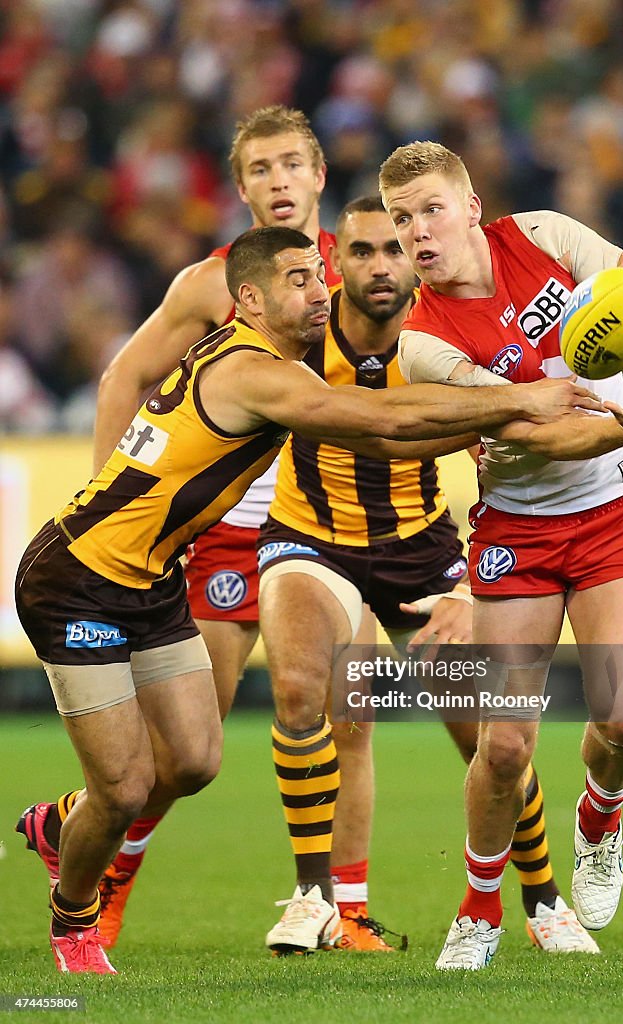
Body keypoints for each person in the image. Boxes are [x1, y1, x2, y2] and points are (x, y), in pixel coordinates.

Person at [15, 225, 609, 974]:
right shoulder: (254, 371)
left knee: (195, 762)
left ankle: (62, 823)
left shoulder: (277, 366)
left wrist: (512, 419)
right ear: (252, 299)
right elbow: (387, 419)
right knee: (128, 783)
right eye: (300, 279)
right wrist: (520, 398)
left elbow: (387, 440)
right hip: (79, 580)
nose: (319, 289)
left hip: (153, 579)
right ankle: (74, 920)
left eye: (317, 274)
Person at [378, 140, 623, 970]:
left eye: (430, 211)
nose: (417, 233)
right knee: (506, 746)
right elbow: (534, 431)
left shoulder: (547, 237)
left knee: (622, 721)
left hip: (618, 508)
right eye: (401, 219)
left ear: (472, 206)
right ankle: (479, 909)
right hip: (518, 532)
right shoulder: (420, 344)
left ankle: (602, 818)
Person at [257, 195, 602, 956]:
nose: (382, 265)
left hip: (422, 548)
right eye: (362, 252)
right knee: (298, 686)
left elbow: (503, 467)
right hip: (312, 539)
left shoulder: (442, 335)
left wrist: (469, 586)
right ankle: (314, 899)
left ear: (415, 259)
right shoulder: (293, 337)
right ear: (333, 264)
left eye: (395, 250)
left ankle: (544, 898)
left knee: (489, 735)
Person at [90, 105, 347, 948]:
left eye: (291, 166)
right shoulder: (211, 283)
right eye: (261, 170)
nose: (278, 182)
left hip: (329, 522)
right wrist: (110, 496)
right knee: (191, 747)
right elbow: (126, 375)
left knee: (350, 715)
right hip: (232, 525)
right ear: (241, 189)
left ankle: (345, 910)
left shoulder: (368, 263)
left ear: (318, 175)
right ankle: (103, 871)